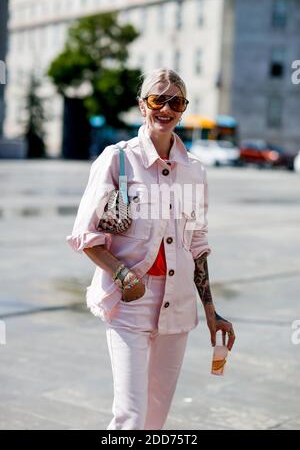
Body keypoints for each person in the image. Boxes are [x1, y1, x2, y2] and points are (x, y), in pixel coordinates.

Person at [66, 68, 235, 430]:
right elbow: (85, 234)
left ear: (183, 109)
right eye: (159, 99)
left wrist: (211, 311)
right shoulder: (118, 160)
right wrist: (123, 273)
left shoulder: (193, 170)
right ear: (143, 105)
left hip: (178, 306)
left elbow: (197, 244)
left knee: (156, 419)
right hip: (130, 305)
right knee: (131, 416)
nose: (167, 108)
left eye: (176, 101)